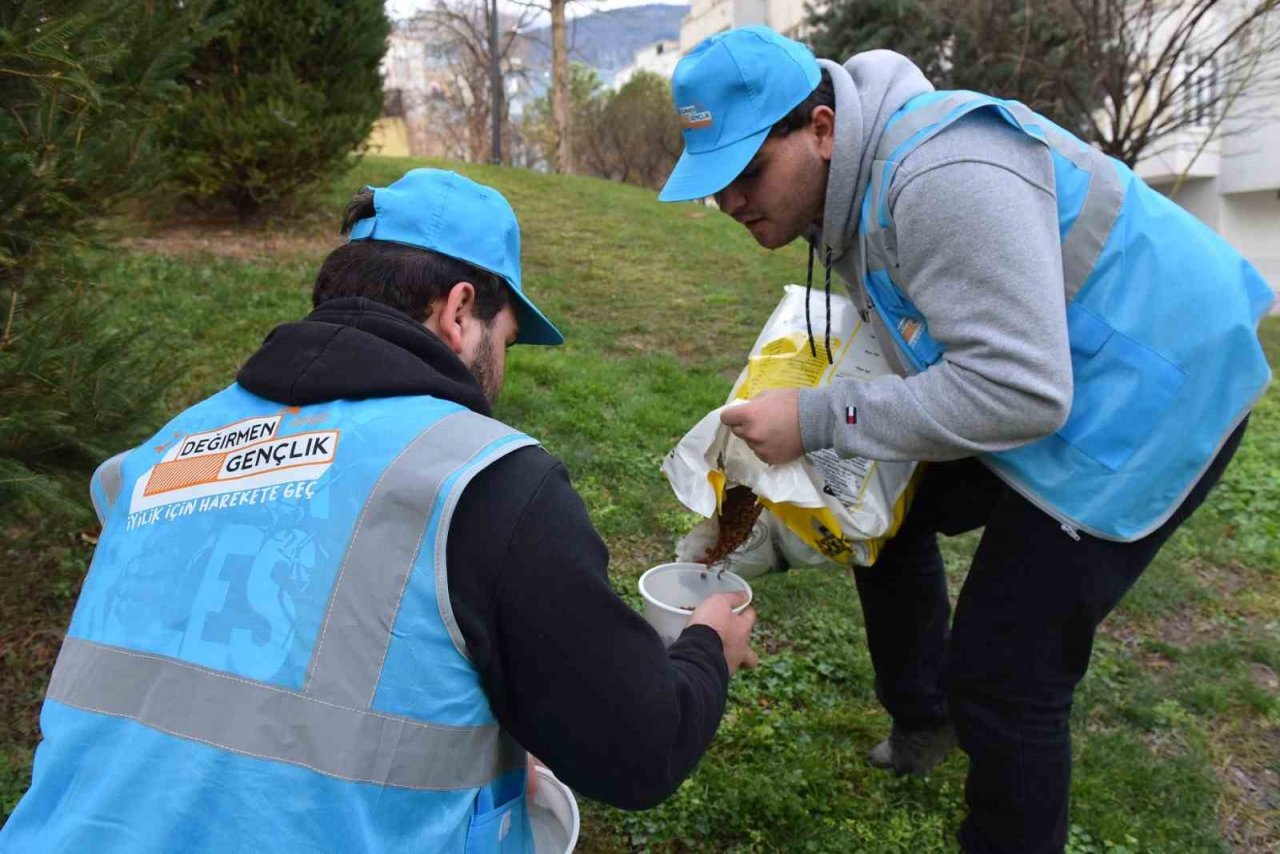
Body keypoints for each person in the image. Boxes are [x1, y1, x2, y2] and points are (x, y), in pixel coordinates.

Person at [0, 168, 758, 853]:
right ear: (461, 310)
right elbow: (639, 749)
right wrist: (705, 650)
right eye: (506, 338)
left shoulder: (157, 456)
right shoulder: (483, 481)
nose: (501, 369)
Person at [657, 25, 1273, 854]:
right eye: (715, 179)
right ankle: (925, 719)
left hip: (1152, 389)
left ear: (822, 129)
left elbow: (1018, 391)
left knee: (1007, 676)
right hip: (1051, 376)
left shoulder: (942, 172)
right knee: (888, 519)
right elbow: (931, 368)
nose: (730, 200)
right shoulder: (849, 191)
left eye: (748, 171)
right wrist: (760, 524)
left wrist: (811, 421)